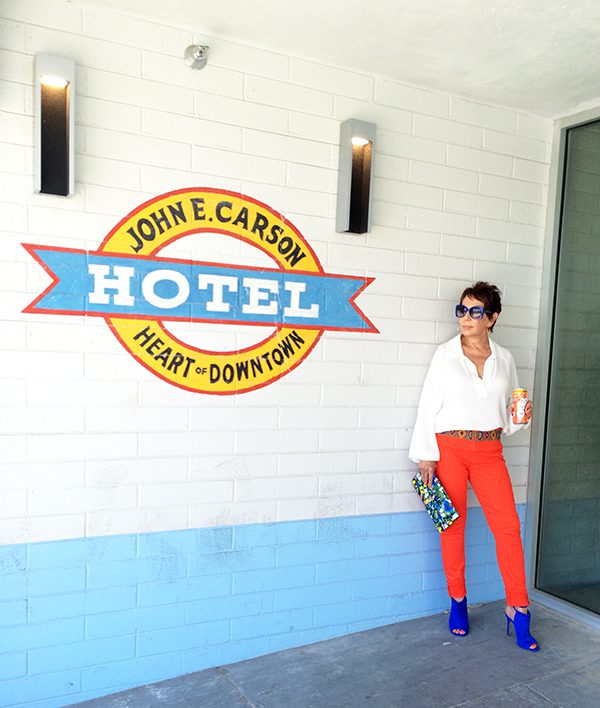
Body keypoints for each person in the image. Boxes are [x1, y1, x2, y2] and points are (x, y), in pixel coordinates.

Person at [408, 281, 539, 652]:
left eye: (475, 311)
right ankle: (458, 601)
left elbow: (511, 416)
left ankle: (518, 608)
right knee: (453, 527)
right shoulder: (444, 355)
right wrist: (426, 455)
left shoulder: (505, 359)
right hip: (448, 448)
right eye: (462, 310)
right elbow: (427, 405)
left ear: (492, 318)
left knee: (509, 528)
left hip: (489, 449)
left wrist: (521, 418)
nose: (466, 317)